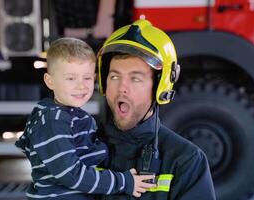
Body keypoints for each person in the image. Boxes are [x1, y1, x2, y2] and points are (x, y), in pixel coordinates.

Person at [15, 37, 156, 200]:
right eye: (71, 78)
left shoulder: (76, 116)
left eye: (87, 78)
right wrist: (123, 182)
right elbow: (71, 175)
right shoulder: (53, 121)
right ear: (50, 81)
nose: (81, 85)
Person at [96, 19, 216, 199]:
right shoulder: (81, 149)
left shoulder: (185, 161)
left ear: (159, 87)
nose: (122, 87)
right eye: (114, 76)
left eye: (135, 79)